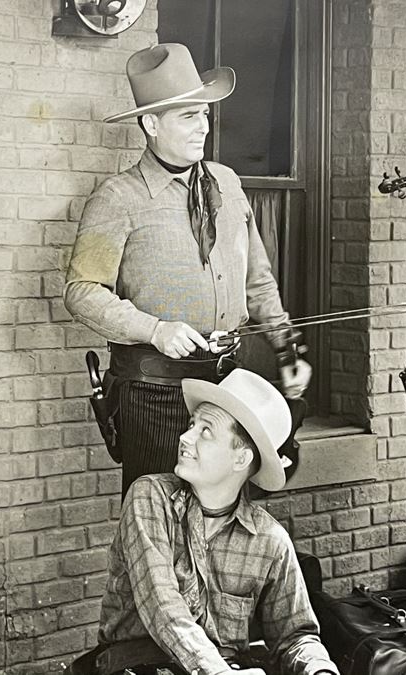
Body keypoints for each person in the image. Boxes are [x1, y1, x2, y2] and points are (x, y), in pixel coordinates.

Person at [65, 43, 310, 495]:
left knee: (223, 527)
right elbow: (81, 291)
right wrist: (155, 329)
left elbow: (256, 279)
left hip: (227, 390)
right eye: (188, 116)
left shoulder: (228, 184)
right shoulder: (118, 198)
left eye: (205, 114)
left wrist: (286, 348)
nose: (204, 127)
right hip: (154, 395)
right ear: (151, 123)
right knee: (161, 525)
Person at [86, 368, 337, 675]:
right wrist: (217, 672)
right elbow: (163, 607)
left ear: (240, 459)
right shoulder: (150, 498)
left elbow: (296, 636)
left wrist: (319, 669)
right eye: (192, 424)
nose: (184, 437)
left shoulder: (270, 540)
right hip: (137, 666)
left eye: (205, 431)